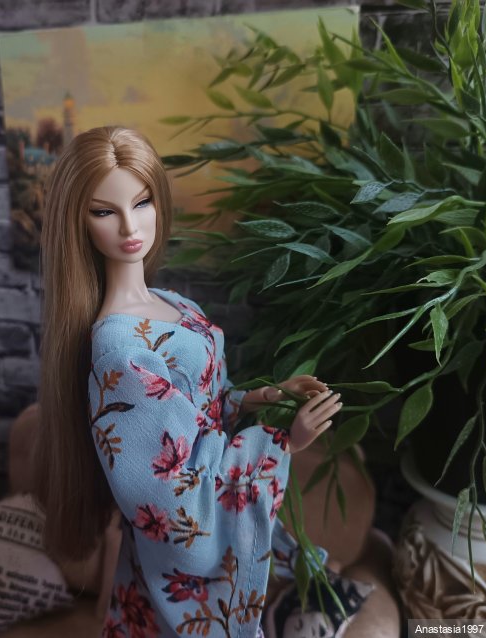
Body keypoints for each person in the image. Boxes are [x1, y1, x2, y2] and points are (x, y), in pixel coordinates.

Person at [35, 126, 342, 638]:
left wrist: (258, 398)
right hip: (171, 575)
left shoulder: (172, 303)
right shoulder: (120, 350)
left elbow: (197, 410)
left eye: (143, 202)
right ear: (78, 223)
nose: (130, 225)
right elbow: (174, 498)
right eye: (104, 211)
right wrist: (283, 441)